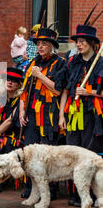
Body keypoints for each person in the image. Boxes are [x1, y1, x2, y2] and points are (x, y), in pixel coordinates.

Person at [19, 27, 67, 199]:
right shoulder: (32, 63)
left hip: (49, 113)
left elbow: (56, 90)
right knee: (30, 150)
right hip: (31, 113)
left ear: (52, 46)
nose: (40, 47)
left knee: (48, 152)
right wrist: (22, 111)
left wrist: (39, 75)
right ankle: (31, 188)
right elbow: (24, 90)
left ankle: (50, 189)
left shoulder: (59, 63)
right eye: (38, 43)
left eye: (44, 44)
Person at [59, 23, 103, 207]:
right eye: (77, 41)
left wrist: (90, 92)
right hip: (72, 115)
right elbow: (65, 91)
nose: (78, 44)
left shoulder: (100, 63)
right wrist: (62, 114)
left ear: (92, 44)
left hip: (91, 117)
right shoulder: (72, 63)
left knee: (88, 156)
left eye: (82, 41)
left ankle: (91, 196)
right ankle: (76, 194)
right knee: (72, 154)